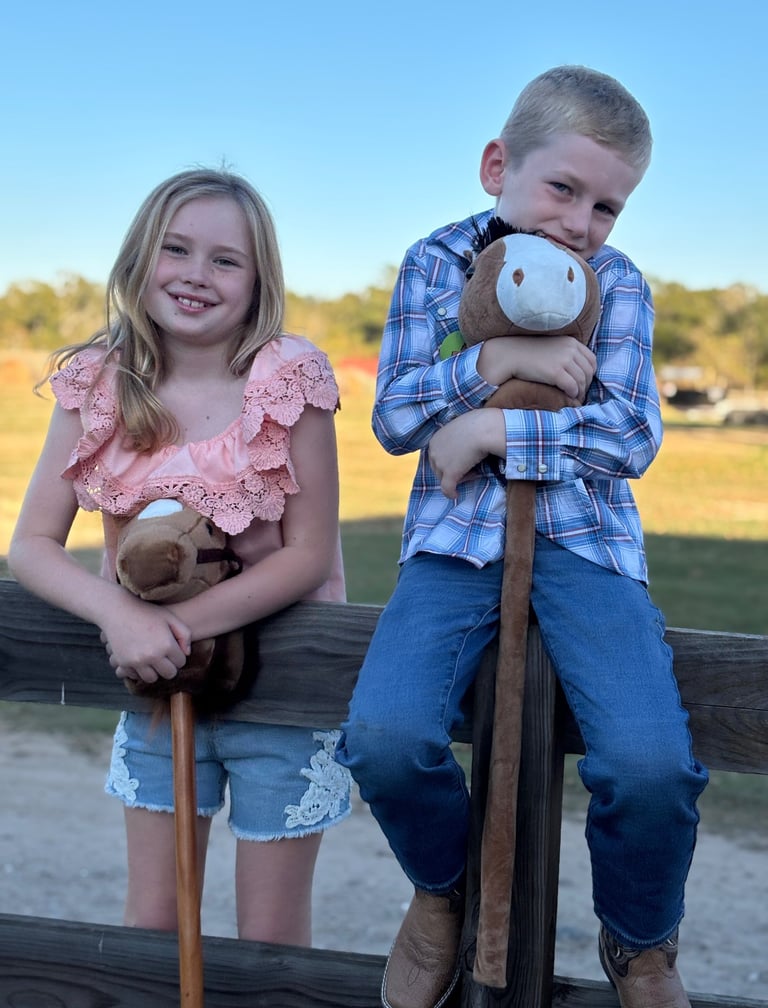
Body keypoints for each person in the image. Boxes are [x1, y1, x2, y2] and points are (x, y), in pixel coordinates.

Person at [335, 65, 707, 1008]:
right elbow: (395, 414)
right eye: (563, 188)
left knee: (651, 764)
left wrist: (493, 429)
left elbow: (629, 435)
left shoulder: (618, 285)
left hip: (589, 548)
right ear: (498, 165)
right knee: (385, 735)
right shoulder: (435, 264)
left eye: (608, 206)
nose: (582, 222)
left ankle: (641, 943)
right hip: (456, 545)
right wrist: (497, 360)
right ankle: (443, 890)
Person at [9, 167, 352, 946]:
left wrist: (180, 624)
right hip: (159, 692)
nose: (197, 275)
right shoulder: (101, 384)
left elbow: (305, 556)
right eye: (177, 249)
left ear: (258, 279)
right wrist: (120, 618)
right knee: (155, 929)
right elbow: (29, 547)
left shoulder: (287, 379)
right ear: (140, 258)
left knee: (269, 943)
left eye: (226, 260)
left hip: (285, 691)